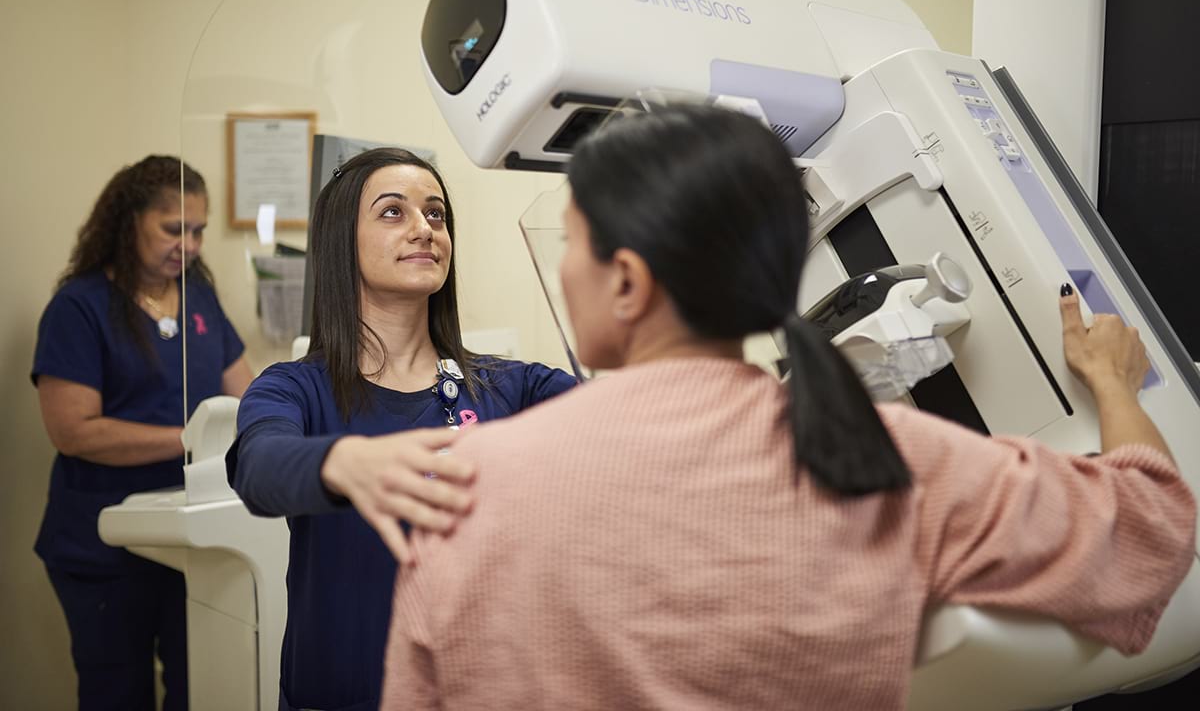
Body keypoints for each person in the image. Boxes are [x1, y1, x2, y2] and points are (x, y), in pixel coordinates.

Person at [379, 105, 1197, 710]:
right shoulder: (890, 461)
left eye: (574, 248)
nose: (564, 275)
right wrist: (1112, 379)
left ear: (625, 282)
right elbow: (1151, 531)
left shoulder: (464, 490)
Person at [226, 147, 577, 711]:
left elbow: (624, 415)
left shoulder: (508, 385)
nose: (424, 229)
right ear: (344, 242)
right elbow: (258, 467)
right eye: (394, 212)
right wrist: (341, 463)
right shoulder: (295, 389)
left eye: (436, 215)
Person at [32, 155, 252, 711]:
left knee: (198, 685)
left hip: (193, 536)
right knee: (117, 693)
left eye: (199, 230)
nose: (192, 244)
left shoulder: (199, 299)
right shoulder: (78, 308)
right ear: (128, 222)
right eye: (175, 228)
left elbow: (245, 396)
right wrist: (190, 439)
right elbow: (74, 431)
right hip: (105, 545)